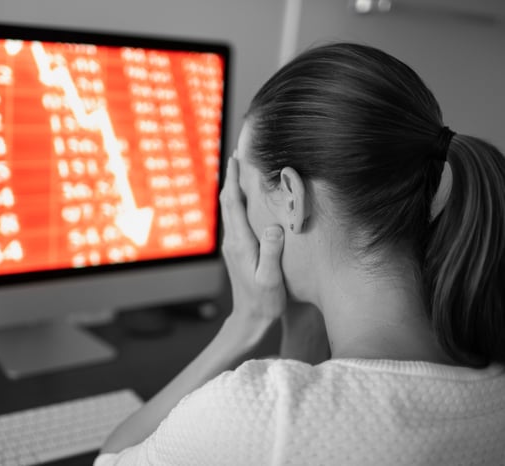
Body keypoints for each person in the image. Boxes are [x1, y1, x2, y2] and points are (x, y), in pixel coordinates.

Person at [95, 42, 505, 465]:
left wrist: (245, 322)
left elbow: (113, 458)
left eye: (244, 191)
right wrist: (306, 314)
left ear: (292, 197)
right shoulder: (489, 370)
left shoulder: (258, 416)